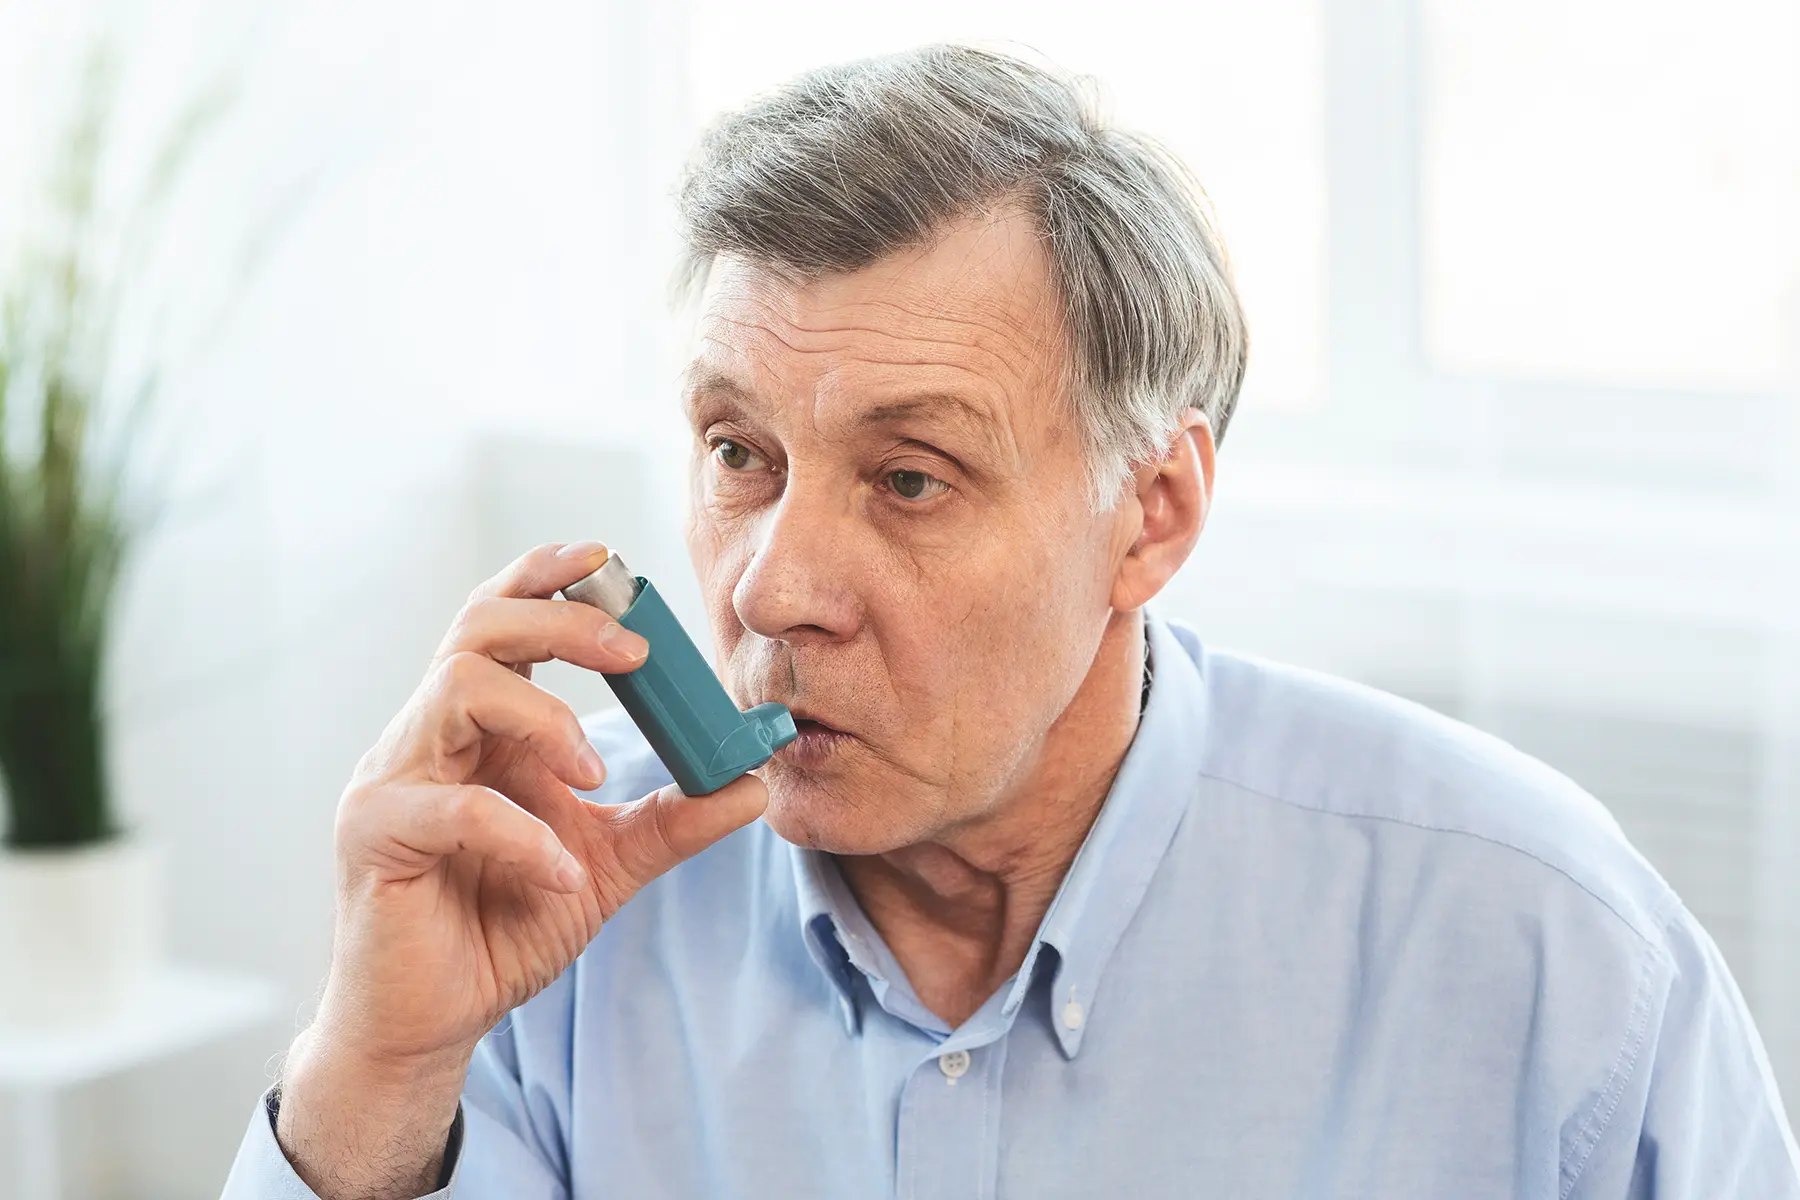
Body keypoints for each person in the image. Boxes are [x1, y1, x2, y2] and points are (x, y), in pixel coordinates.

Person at [223, 44, 1800, 1199]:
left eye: (910, 479)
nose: (771, 587)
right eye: (736, 455)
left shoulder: (1544, 949)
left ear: (1153, 515)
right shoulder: (547, 912)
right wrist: (376, 1072)